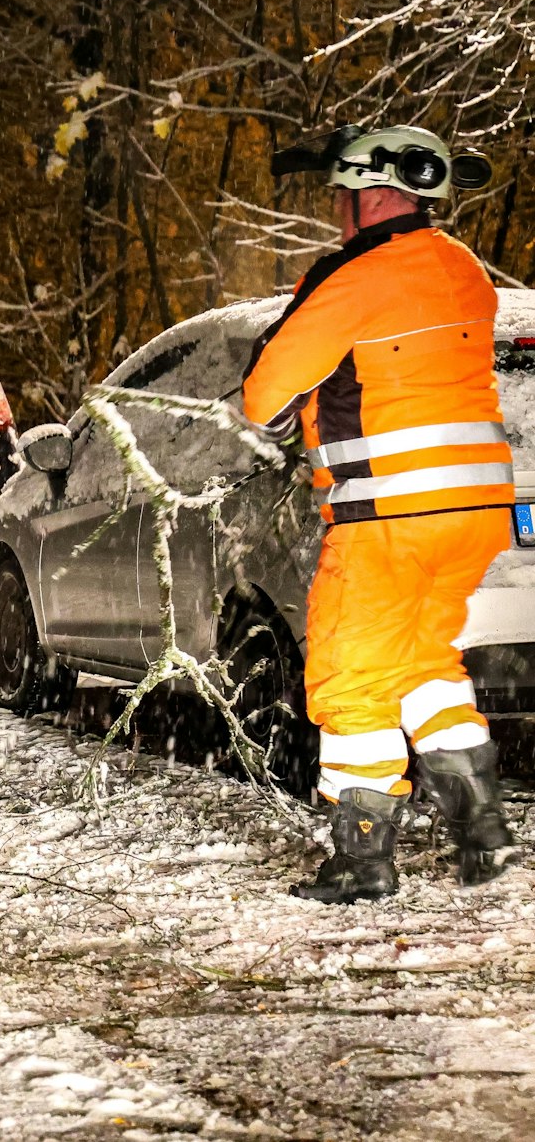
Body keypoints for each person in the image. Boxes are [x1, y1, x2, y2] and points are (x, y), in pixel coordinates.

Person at [243, 124, 517, 903]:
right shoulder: (464, 271)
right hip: (473, 513)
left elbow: (264, 395)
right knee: (423, 665)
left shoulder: (355, 277)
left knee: (351, 672)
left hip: (387, 518)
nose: (336, 212)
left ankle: (362, 858)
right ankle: (481, 828)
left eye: (340, 197)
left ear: (368, 196)